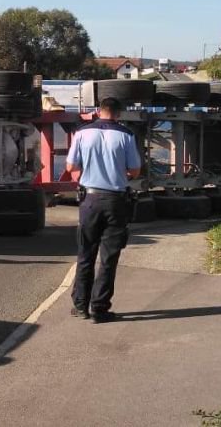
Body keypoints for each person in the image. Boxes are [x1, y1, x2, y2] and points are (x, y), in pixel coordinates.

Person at [65, 97, 141, 323]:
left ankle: (80, 305)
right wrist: (121, 174)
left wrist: (83, 176)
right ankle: (99, 308)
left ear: (99, 111)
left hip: (89, 199)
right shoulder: (126, 135)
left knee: (85, 254)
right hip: (116, 201)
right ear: (119, 113)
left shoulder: (82, 133)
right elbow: (135, 170)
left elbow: (71, 167)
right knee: (109, 257)